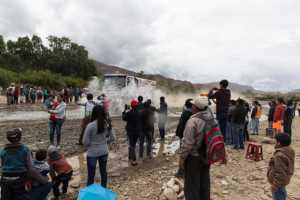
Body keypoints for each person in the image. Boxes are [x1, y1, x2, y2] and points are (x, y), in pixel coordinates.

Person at [179, 96, 211, 200]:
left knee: (192, 185)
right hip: (207, 156)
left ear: (195, 107)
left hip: (194, 158)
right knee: (204, 183)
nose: (192, 106)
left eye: (193, 105)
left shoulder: (193, 121)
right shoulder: (211, 118)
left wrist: (182, 158)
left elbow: (188, 143)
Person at [83, 105, 116, 187]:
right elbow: (113, 138)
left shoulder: (90, 125)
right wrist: (105, 141)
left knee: (91, 175)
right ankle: (103, 190)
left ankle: (90, 193)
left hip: (92, 152)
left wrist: (90, 144)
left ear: (93, 113)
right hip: (104, 151)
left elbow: (84, 141)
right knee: (103, 172)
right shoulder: (107, 124)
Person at [0, 128, 32, 200]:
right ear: (20, 138)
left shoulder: (3, 150)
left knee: (5, 197)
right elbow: (29, 164)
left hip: (5, 178)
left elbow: (3, 164)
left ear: (8, 139)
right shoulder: (25, 149)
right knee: (22, 197)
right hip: (20, 177)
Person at [267, 133, 294, 200]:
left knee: (278, 196)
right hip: (282, 183)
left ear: (279, 143)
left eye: (275, 140)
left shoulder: (280, 155)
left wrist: (275, 186)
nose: (274, 142)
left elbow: (280, 173)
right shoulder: (288, 151)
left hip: (278, 184)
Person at [174, 98, 193, 178]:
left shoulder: (185, 113)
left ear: (185, 104)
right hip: (191, 137)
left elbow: (181, 124)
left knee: (182, 153)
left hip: (184, 136)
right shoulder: (194, 113)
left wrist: (179, 134)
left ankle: (181, 172)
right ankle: (188, 171)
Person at [122, 100, 141, 166]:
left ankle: (134, 160)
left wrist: (124, 112)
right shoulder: (140, 112)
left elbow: (124, 118)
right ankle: (130, 157)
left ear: (131, 106)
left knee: (131, 145)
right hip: (137, 130)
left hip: (130, 131)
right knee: (133, 144)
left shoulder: (129, 113)